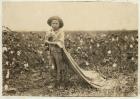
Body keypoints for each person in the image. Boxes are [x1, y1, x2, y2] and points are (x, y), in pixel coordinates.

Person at [45, 16, 68, 89]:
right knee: (52, 67)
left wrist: (49, 42)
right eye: (53, 23)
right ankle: (53, 82)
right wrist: (47, 40)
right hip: (51, 51)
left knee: (60, 67)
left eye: (56, 23)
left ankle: (61, 83)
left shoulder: (61, 32)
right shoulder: (48, 32)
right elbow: (45, 42)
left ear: (59, 24)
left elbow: (60, 43)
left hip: (58, 52)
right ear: (50, 24)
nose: (54, 25)